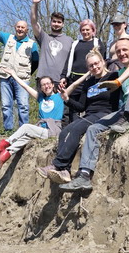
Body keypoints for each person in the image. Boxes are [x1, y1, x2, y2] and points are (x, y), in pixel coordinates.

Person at [59, 35, 129, 193]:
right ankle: (84, 175)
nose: (121, 53)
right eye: (118, 51)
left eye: (125, 49)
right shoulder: (118, 73)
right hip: (124, 109)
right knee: (93, 129)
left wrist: (118, 82)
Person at [37, 49, 121, 184]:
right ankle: (65, 171)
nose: (94, 67)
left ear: (103, 62)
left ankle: (57, 165)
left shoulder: (114, 77)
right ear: (88, 68)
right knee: (64, 132)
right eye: (91, 66)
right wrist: (67, 99)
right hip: (89, 114)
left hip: (105, 113)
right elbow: (82, 106)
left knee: (76, 130)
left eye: (96, 63)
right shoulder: (89, 83)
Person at [0, 69, 64, 170]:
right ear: (41, 88)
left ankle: (0, 147)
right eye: (43, 85)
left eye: (48, 84)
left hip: (52, 131)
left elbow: (75, 85)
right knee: (24, 138)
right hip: (41, 130)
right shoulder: (40, 98)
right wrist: (13, 75)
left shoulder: (60, 96)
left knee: (26, 127)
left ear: (52, 85)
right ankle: (2, 159)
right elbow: (25, 86)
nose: (46, 86)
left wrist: (87, 73)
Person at [0, 3, 39, 132]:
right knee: (6, 105)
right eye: (18, 27)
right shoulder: (8, 38)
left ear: (27, 30)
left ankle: (23, 131)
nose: (20, 29)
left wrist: (26, 74)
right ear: (15, 28)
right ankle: (8, 130)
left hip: (22, 79)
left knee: (23, 106)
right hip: (5, 77)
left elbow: (36, 62)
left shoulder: (32, 44)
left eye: (23, 27)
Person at [60, 19, 106, 124]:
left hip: (90, 79)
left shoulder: (97, 43)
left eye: (87, 30)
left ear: (93, 30)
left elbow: (102, 61)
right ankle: (72, 127)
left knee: (88, 105)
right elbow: (69, 61)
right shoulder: (76, 44)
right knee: (73, 108)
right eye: (83, 30)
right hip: (74, 80)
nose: (85, 32)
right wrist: (63, 76)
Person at [30, 0, 73, 88]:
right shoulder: (44, 37)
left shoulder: (70, 40)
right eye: (54, 21)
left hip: (60, 81)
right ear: (50, 22)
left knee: (60, 104)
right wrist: (34, 4)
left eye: (59, 22)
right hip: (43, 79)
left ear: (63, 24)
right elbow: (33, 22)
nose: (56, 24)